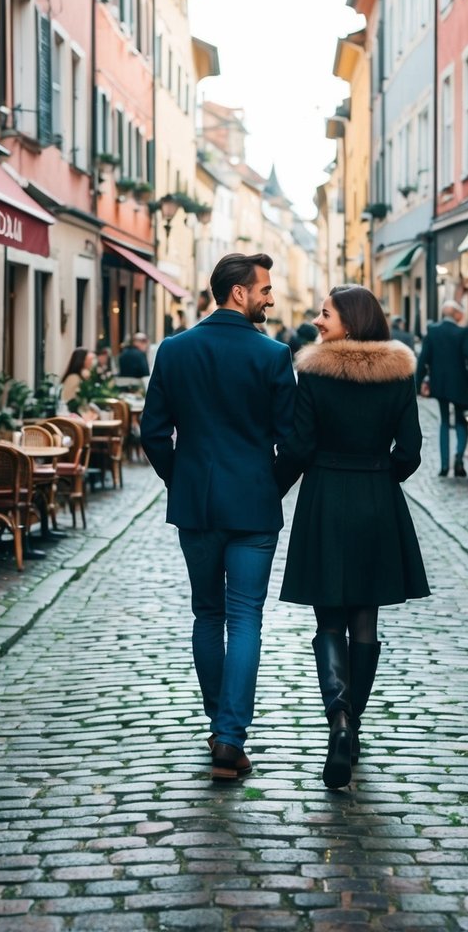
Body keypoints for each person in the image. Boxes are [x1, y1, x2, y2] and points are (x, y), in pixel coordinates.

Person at [141, 252, 296, 782]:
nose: (270, 297)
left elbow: (153, 433)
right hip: (253, 504)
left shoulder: (176, 350)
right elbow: (292, 441)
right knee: (245, 618)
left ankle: (221, 728)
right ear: (238, 293)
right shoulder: (274, 356)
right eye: (265, 289)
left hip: (199, 504)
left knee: (208, 615)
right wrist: (270, 486)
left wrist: (178, 478)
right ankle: (229, 738)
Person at [275, 284, 428, 790]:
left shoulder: (313, 374)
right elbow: (410, 451)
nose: (318, 322)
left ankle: (338, 718)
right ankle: (353, 727)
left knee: (329, 616)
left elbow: (297, 446)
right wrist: (380, 478)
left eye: (325, 314)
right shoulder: (399, 374)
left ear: (351, 321)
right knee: (365, 618)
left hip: (324, 498)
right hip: (376, 498)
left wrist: (273, 488)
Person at [415, 299, 468, 478]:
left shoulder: (433, 331)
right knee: (460, 421)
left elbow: (423, 360)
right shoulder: (462, 331)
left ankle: (443, 466)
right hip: (459, 383)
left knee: (443, 421)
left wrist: (418, 384)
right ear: (455, 314)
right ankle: (459, 459)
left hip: (439, 383)